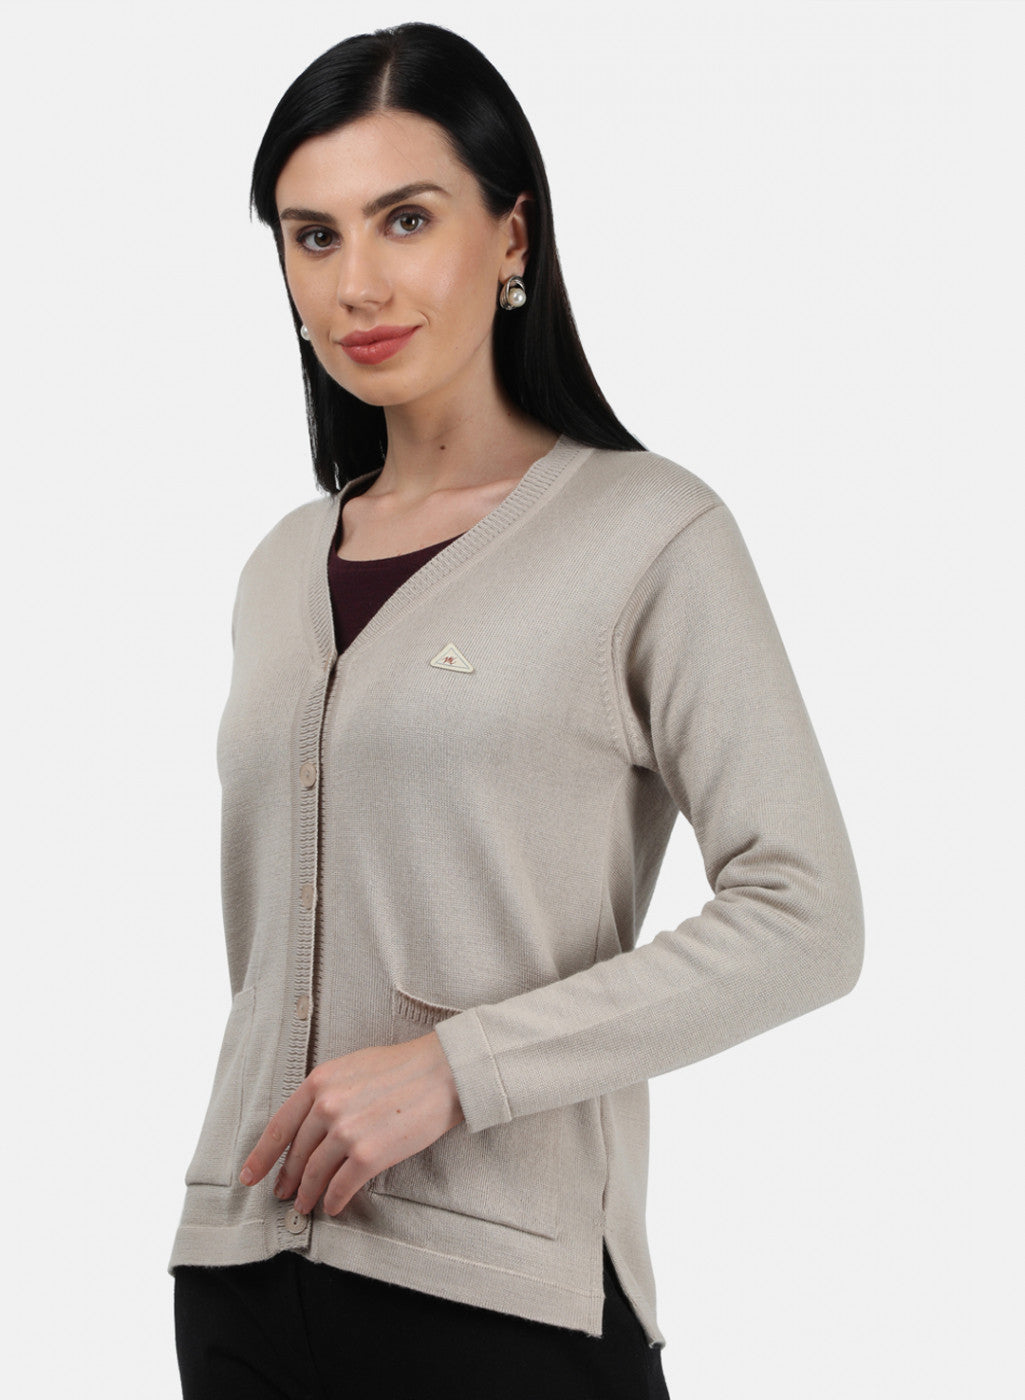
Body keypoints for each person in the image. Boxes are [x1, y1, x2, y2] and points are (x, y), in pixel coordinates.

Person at [170, 21, 863, 1399]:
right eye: (313, 237)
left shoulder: (648, 534)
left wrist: (456, 1067)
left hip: (504, 1300)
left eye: (405, 219)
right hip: (240, 1278)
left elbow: (807, 917)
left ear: (510, 236)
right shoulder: (276, 567)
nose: (357, 282)